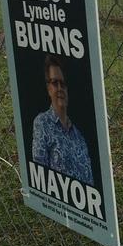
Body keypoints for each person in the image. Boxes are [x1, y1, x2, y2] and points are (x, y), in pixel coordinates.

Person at [31, 54, 94, 185]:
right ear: (48, 88)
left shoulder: (79, 137)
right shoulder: (42, 123)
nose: (60, 88)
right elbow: (40, 171)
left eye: (63, 83)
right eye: (55, 83)